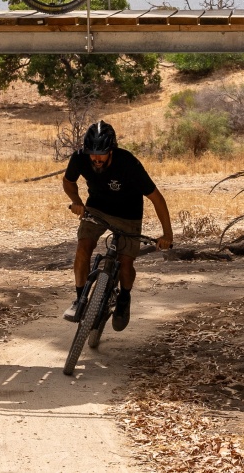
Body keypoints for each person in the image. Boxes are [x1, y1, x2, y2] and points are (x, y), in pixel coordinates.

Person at [63, 120, 173, 331]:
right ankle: (80, 300)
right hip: (96, 208)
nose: (96, 158)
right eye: (92, 152)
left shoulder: (128, 163)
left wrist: (167, 234)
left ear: (111, 150)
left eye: (101, 153)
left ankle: (124, 298)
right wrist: (77, 201)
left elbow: (157, 198)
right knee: (82, 248)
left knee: (125, 263)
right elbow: (68, 181)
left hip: (128, 215)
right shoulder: (80, 158)